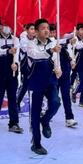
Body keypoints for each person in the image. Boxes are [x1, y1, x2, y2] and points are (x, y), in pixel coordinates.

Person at [26, 18, 62, 155]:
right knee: (34, 114)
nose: (46, 30)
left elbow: (56, 60)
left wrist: (59, 69)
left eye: (47, 28)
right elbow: (36, 56)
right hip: (35, 82)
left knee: (55, 102)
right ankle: (36, 143)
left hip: (50, 80)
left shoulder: (54, 43)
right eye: (42, 28)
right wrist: (51, 50)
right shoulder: (31, 45)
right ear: (36, 31)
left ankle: (45, 120)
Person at [0, 23, 22, 133]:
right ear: (0, 26)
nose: (7, 27)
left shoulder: (15, 39)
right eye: (4, 24)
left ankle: (14, 123)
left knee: (12, 97)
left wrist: (16, 64)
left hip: (12, 70)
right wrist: (7, 51)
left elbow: (16, 54)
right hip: (0, 70)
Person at [16, 23, 36, 109]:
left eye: (34, 29)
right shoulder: (23, 40)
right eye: (31, 29)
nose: (33, 31)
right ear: (27, 30)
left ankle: (36, 106)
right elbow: (26, 49)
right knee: (25, 86)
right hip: (26, 66)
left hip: (36, 66)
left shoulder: (37, 39)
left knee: (37, 86)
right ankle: (18, 102)